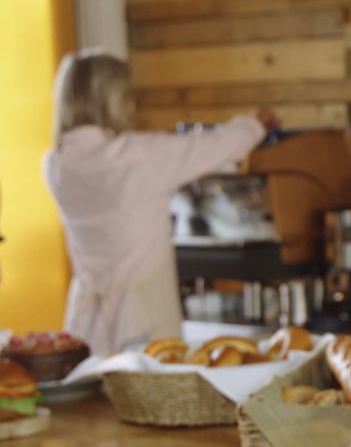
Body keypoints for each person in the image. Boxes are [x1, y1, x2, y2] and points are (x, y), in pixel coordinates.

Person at [44, 50, 275, 356]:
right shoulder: (136, 156)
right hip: (142, 321)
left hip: (85, 322)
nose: (132, 105)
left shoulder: (55, 164)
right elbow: (216, 146)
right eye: (127, 96)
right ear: (110, 100)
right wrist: (255, 125)